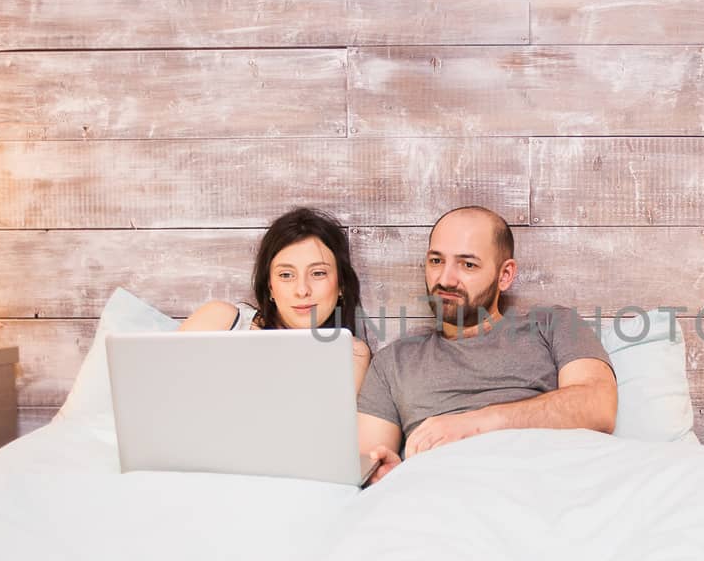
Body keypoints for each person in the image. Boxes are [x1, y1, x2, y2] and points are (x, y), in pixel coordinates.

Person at [357, 206, 617, 483]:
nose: (445, 279)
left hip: (548, 477)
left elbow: (598, 405)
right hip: (443, 489)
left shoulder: (554, 324)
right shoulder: (393, 361)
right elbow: (368, 460)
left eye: (468, 264)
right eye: (436, 261)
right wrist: (386, 473)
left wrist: (474, 425)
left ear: (504, 275)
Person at [181, 207, 371, 392]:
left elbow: (328, 421)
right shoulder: (222, 321)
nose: (302, 290)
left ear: (341, 286)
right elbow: (160, 388)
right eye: (286, 275)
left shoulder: (351, 354)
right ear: (270, 286)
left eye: (318, 273)